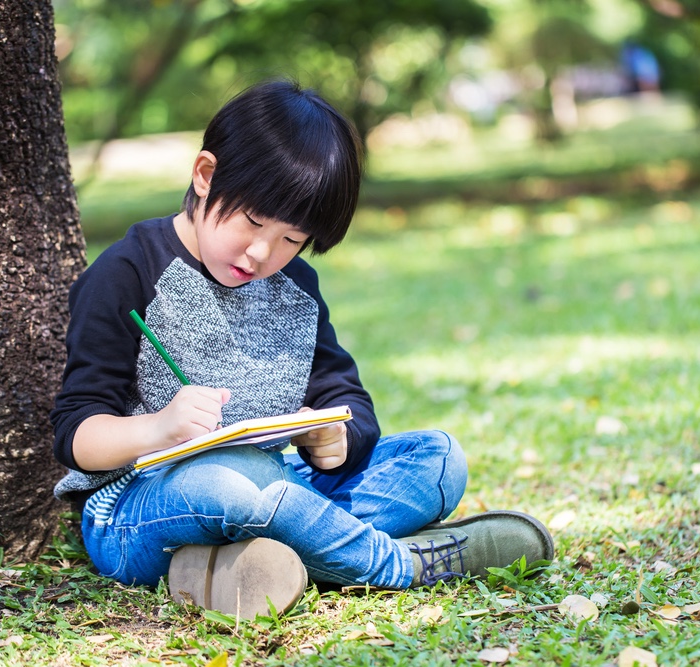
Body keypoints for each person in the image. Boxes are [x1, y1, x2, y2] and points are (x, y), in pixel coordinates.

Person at [50, 79, 553, 620]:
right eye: (254, 221)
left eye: (292, 239)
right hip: (138, 509)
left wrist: (335, 436)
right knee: (235, 481)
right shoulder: (127, 273)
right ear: (205, 175)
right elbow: (75, 433)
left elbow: (347, 398)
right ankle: (400, 566)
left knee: (437, 459)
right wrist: (158, 428)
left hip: (275, 487)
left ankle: (237, 566)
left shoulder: (295, 288)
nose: (263, 251)